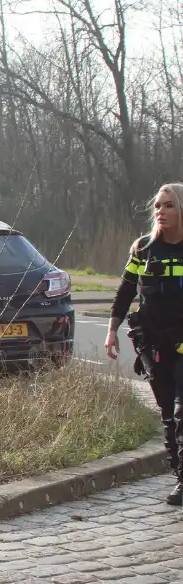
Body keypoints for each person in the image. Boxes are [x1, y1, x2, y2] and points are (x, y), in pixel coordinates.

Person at [106, 182, 183, 506]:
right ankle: (179, 476)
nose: (161, 212)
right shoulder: (143, 248)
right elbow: (125, 292)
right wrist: (112, 330)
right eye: (158, 206)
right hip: (153, 343)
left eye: (168, 205)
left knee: (182, 412)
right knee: (168, 413)